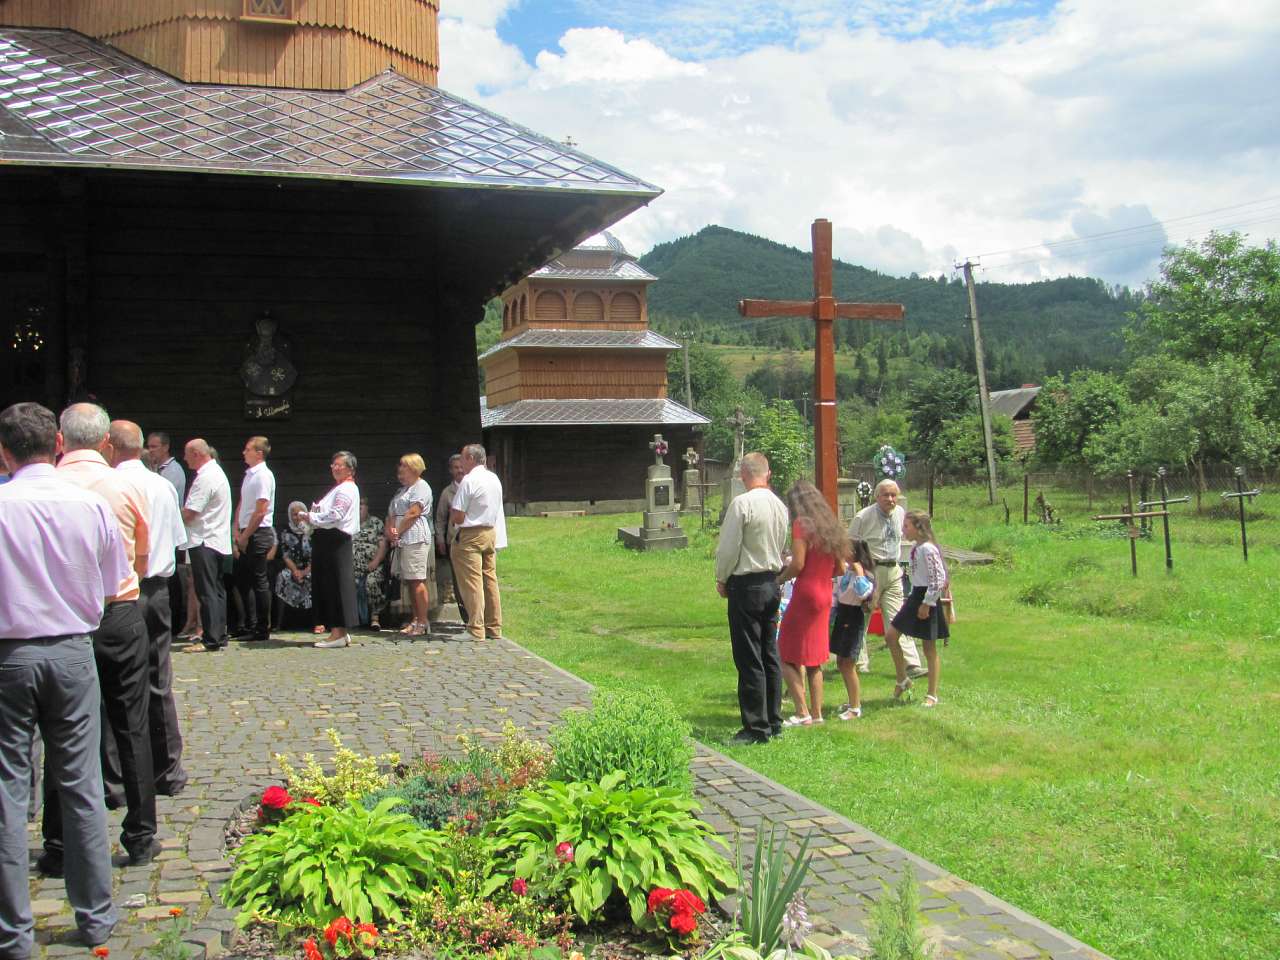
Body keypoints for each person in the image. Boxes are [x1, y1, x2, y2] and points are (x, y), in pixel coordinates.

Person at [0, 402, 122, 954]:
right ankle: (95, 917)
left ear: (4, 451)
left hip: (9, 654)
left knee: (7, 789)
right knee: (81, 784)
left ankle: (13, 933)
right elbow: (114, 584)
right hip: (73, 650)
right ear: (56, 444)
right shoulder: (90, 504)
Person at [52, 403, 160, 871]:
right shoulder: (124, 487)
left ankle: (59, 842)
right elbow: (142, 558)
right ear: (105, 444)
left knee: (61, 728)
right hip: (117, 613)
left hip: (58, 619)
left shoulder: (43, 486)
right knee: (131, 724)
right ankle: (140, 835)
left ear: (61, 441)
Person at [108, 420, 188, 797]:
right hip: (156, 590)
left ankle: (116, 780)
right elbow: (176, 539)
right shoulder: (161, 485)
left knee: (114, 684)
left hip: (118, 594)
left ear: (109, 446)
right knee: (159, 680)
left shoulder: (109, 485)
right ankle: (167, 772)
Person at [714, 452, 789, 745]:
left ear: (743, 475)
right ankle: (774, 719)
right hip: (771, 581)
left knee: (749, 655)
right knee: (769, 652)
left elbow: (729, 548)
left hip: (746, 584)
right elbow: (781, 544)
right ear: (767, 474)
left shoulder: (742, 504)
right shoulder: (779, 505)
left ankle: (756, 727)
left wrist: (722, 577)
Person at [776, 480, 848, 727]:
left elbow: (798, 563)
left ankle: (802, 711)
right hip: (825, 593)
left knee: (785, 652)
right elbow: (840, 568)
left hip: (805, 593)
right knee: (814, 659)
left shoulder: (801, 525)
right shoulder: (830, 526)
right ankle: (817, 714)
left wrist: (780, 579)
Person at [847, 479, 926, 678]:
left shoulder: (900, 513)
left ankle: (911, 664)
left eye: (893, 495)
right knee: (862, 618)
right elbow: (849, 545)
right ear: (876, 497)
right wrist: (858, 571)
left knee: (898, 618)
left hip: (893, 570)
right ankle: (859, 662)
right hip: (870, 571)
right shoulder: (863, 516)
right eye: (886, 495)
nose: (890, 499)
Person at [887, 511, 950, 707]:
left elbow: (938, 579)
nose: (903, 530)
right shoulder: (916, 547)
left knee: (929, 648)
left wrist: (927, 603)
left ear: (919, 528)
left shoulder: (928, 549)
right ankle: (902, 678)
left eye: (907, 526)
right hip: (915, 595)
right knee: (891, 636)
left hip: (926, 597)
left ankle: (932, 694)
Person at [449, 444, 506, 640]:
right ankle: (494, 627)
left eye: (463, 458)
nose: (461, 463)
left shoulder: (469, 480)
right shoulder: (493, 478)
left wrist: (456, 517)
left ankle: (475, 628)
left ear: (471, 459)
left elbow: (457, 515)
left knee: (472, 582)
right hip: (490, 532)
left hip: (471, 534)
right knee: (490, 580)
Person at [181, 439, 232, 652]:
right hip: (217, 540)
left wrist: (170, 516)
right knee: (217, 590)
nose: (185, 459)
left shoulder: (205, 477)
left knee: (207, 591)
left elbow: (191, 512)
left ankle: (210, 639)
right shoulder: (217, 472)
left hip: (204, 540)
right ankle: (219, 635)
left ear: (196, 454)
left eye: (187, 454)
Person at [308, 451, 360, 649]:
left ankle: (337, 632)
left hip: (334, 541)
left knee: (335, 585)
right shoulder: (340, 488)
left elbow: (336, 515)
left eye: (340, 465)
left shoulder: (346, 489)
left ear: (350, 469)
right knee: (333, 584)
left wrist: (310, 517)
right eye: (333, 464)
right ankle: (340, 632)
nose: (335, 468)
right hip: (330, 541)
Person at [147, 430, 192, 638]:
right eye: (148, 446)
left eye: (154, 446)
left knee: (170, 579)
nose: (150, 450)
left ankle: (174, 621)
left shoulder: (172, 471)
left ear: (165, 447)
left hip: (168, 531)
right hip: (160, 531)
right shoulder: (158, 470)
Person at [232, 436, 277, 643]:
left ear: (259, 453)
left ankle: (261, 628)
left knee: (259, 581)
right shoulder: (249, 475)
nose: (244, 452)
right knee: (244, 581)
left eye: (248, 449)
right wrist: (236, 528)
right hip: (245, 531)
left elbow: (260, 510)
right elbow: (243, 503)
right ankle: (248, 624)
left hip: (258, 532)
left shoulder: (263, 476)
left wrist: (245, 536)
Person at [388, 454, 433, 636]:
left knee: (417, 579)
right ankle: (415, 619)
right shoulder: (403, 490)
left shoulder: (421, 487)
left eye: (404, 466)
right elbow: (393, 512)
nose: (400, 469)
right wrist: (393, 531)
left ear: (414, 467)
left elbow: (414, 513)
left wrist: (398, 531)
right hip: (403, 538)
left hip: (415, 537)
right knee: (409, 580)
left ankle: (423, 621)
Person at [830, 538, 875, 721]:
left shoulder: (863, 574)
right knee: (841, 661)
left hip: (853, 616)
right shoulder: (844, 572)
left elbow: (864, 594)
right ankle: (851, 701)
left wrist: (860, 573)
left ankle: (856, 707)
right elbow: (836, 593)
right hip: (842, 615)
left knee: (849, 663)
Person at [434, 453, 467, 622]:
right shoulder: (447, 493)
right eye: (456, 467)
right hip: (453, 541)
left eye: (461, 467)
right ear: (450, 470)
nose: (459, 470)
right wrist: (440, 539)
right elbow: (440, 519)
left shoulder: (471, 487)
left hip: (470, 538)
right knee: (457, 580)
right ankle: (465, 616)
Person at [273, 502, 314, 629]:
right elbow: (285, 555)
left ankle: (317, 621)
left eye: (300, 514)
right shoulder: (285, 531)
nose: (297, 517)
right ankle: (280, 623)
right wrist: (295, 571)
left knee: (316, 578)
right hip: (293, 567)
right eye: (294, 514)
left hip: (311, 567)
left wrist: (305, 571)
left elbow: (317, 555)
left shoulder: (312, 530)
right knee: (282, 576)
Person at [353, 496, 387, 631]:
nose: (359, 508)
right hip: (352, 568)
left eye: (361, 505)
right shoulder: (349, 524)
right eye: (356, 505)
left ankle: (375, 618)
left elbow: (383, 545)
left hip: (373, 566)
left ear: (367, 507)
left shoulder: (376, 523)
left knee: (371, 581)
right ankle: (351, 619)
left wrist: (376, 561)